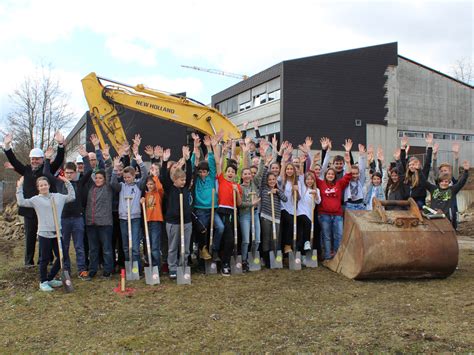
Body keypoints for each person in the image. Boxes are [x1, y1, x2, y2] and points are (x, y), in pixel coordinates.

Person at [3, 131, 65, 267]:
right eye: (33, 159)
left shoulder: (47, 169)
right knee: (30, 236)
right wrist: (7, 145)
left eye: (37, 159)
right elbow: (13, 160)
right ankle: (29, 262)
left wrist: (61, 145)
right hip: (29, 210)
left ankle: (46, 260)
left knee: (45, 236)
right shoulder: (25, 170)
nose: (35, 161)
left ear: (42, 159)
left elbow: (60, 159)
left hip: (44, 210)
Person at [16, 175, 75, 292]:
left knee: (63, 257)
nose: (43, 187)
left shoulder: (58, 197)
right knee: (45, 258)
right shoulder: (35, 200)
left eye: (45, 184)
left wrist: (68, 183)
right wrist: (19, 187)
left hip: (57, 233)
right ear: (38, 188)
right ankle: (43, 282)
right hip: (44, 233)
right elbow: (21, 202)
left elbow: (72, 197)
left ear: (49, 185)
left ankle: (50, 278)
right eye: (41, 185)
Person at [111, 149, 148, 276]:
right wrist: (115, 168)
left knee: (135, 246)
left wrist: (140, 162)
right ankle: (129, 268)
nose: (127, 179)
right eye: (125, 177)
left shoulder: (138, 185)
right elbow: (112, 182)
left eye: (129, 177)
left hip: (135, 218)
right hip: (123, 218)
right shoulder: (121, 186)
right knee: (126, 246)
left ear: (133, 176)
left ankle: (137, 269)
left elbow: (145, 174)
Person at [161, 146, 193, 280]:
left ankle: (183, 266)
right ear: (175, 180)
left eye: (185, 180)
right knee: (173, 247)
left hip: (186, 221)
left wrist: (187, 160)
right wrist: (164, 162)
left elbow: (190, 173)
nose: (184, 182)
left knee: (185, 247)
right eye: (182, 180)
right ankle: (172, 268)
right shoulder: (170, 188)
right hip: (173, 222)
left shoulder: (185, 188)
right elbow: (163, 177)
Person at [214, 138, 243, 276]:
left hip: (232, 213)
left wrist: (237, 192)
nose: (230, 173)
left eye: (233, 171)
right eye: (228, 171)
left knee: (230, 239)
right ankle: (219, 257)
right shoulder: (222, 180)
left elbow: (239, 203)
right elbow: (218, 164)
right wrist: (220, 149)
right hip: (221, 211)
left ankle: (225, 262)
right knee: (222, 235)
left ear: (236, 174)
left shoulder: (237, 186)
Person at [316, 152, 352, 260]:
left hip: (337, 215)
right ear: (325, 175)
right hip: (324, 215)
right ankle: (327, 256)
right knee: (326, 236)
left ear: (334, 176)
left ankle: (337, 256)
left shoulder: (339, 184)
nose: (330, 175)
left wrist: (348, 162)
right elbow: (312, 174)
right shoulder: (321, 184)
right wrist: (313, 162)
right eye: (328, 174)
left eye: (332, 174)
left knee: (339, 236)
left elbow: (348, 175)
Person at [238, 142, 265, 272]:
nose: (248, 175)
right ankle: (243, 260)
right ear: (242, 176)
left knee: (257, 240)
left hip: (255, 214)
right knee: (246, 241)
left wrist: (262, 157)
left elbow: (260, 171)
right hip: (245, 215)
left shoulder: (254, 182)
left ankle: (252, 257)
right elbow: (240, 204)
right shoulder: (240, 188)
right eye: (245, 174)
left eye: (249, 174)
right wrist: (252, 203)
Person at [260, 154, 288, 267]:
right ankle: (266, 260)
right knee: (266, 238)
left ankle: (275, 259)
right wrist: (266, 165)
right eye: (270, 180)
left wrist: (277, 191)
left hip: (276, 217)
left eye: (273, 179)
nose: (271, 181)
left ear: (276, 180)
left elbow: (285, 199)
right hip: (266, 216)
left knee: (275, 239)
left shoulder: (278, 190)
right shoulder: (264, 188)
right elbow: (262, 177)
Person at [398, 134, 433, 209]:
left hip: (418, 202)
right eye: (410, 164)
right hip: (406, 202)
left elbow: (428, 163)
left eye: (414, 164)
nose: (412, 166)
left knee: (419, 206)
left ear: (418, 164)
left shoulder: (422, 174)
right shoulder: (407, 175)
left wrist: (430, 145)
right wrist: (402, 148)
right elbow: (402, 161)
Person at [140, 174, 164, 272]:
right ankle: (151, 264)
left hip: (156, 221)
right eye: (148, 184)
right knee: (149, 246)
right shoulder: (146, 195)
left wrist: (154, 176)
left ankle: (157, 267)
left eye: (152, 184)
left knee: (155, 247)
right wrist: (142, 202)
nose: (150, 186)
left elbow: (159, 187)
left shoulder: (158, 193)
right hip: (147, 222)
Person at [297, 172, 321, 253]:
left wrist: (316, 195)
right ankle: (307, 242)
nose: (309, 181)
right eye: (307, 179)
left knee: (303, 232)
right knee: (307, 223)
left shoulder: (316, 190)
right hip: (300, 212)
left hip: (309, 213)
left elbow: (318, 202)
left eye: (311, 179)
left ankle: (303, 252)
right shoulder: (303, 188)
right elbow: (300, 176)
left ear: (314, 180)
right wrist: (301, 164)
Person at [344, 144, 367, 210]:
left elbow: (362, 169)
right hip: (349, 205)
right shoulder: (347, 181)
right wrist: (347, 152)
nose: (355, 175)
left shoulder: (360, 181)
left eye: (356, 173)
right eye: (353, 174)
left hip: (360, 205)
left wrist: (361, 155)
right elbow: (346, 169)